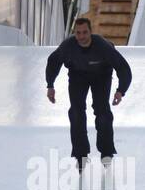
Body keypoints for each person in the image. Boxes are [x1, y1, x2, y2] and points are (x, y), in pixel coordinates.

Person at [45, 17, 132, 172]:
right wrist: (50, 85)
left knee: (102, 113)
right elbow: (53, 62)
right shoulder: (68, 46)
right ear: (74, 33)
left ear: (91, 32)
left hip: (101, 76)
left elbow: (123, 67)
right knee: (76, 113)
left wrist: (121, 91)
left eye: (85, 32)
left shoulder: (102, 46)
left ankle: (106, 153)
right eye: (78, 33)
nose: (82, 36)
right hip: (78, 75)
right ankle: (80, 155)